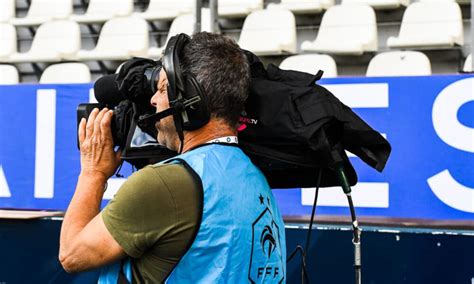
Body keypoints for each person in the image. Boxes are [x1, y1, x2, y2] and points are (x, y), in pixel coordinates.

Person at [59, 32, 286, 283]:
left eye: (163, 89)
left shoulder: (164, 184)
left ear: (190, 100)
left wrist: (93, 172)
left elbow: (72, 254)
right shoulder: (254, 176)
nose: (154, 100)